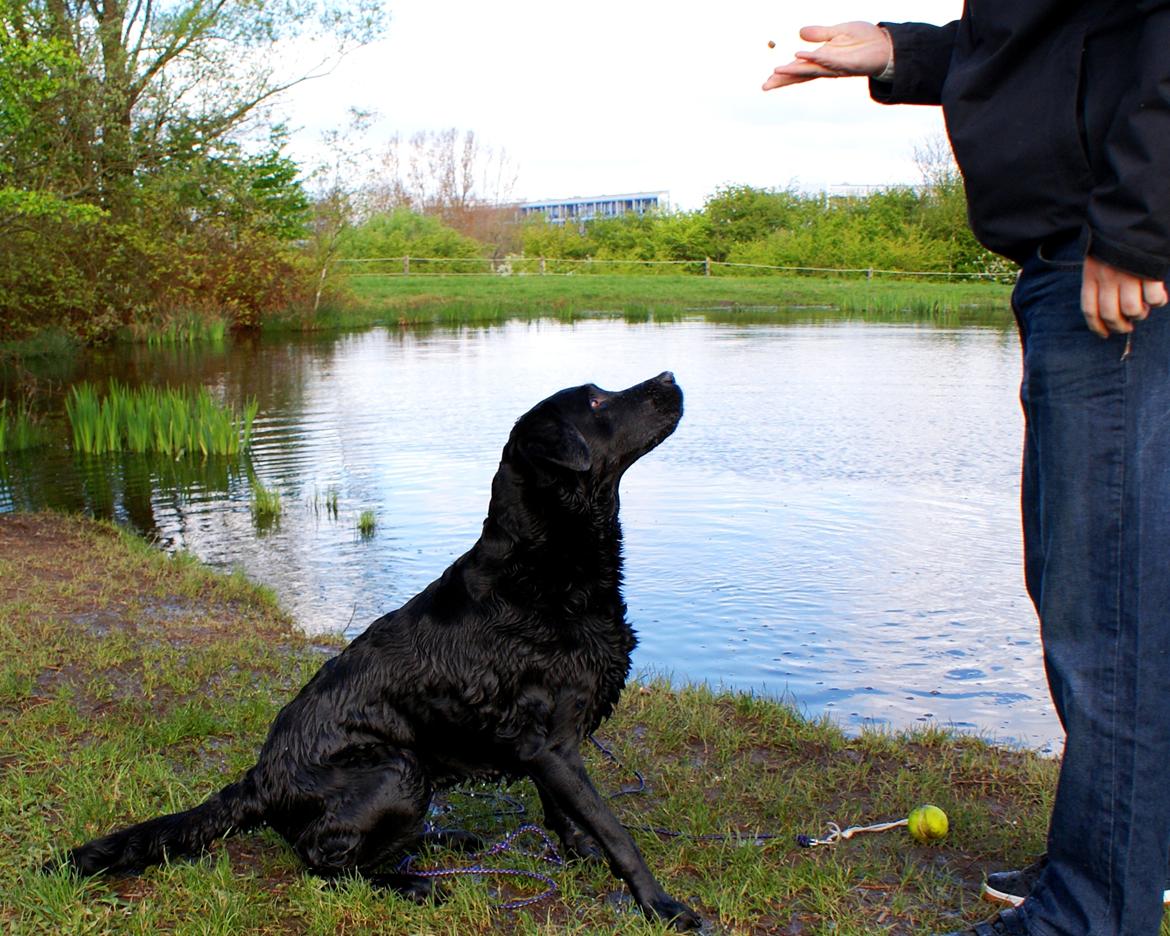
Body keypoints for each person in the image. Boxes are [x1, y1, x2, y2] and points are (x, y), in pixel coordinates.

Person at [763, 9, 1170, 936]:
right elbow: (1049, 38)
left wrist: (1141, 220)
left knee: (1108, 614)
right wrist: (907, 52)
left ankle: (1095, 911)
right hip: (1078, 253)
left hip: (1114, 263)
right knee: (1100, 592)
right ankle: (1121, 857)